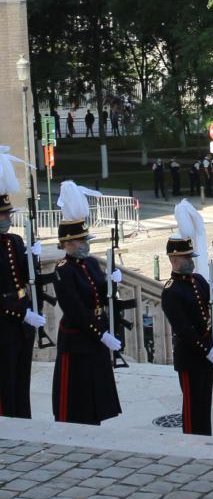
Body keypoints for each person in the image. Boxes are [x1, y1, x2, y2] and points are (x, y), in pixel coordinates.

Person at [52, 181, 123, 425]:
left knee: (96, 389)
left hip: (95, 333)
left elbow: (101, 294)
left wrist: (113, 282)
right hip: (78, 337)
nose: (86, 244)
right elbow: (75, 310)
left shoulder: (90, 263)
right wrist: (101, 334)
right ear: (68, 243)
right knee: (77, 394)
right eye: (81, 241)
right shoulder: (63, 270)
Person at [161, 235, 213, 436]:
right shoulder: (171, 291)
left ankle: (205, 436)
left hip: (207, 351)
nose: (190, 261)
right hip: (191, 356)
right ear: (174, 259)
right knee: (193, 404)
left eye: (190, 257)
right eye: (186, 257)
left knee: (204, 401)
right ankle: (193, 440)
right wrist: (207, 351)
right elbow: (184, 329)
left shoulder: (197, 280)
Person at [0, 154, 46, 419]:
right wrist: (20, 313)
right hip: (5, 321)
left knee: (21, 376)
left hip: (21, 321)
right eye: (3, 214)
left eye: (7, 213)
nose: (7, 218)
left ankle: (22, 417)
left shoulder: (14, 241)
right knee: (6, 378)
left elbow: (27, 276)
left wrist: (34, 257)